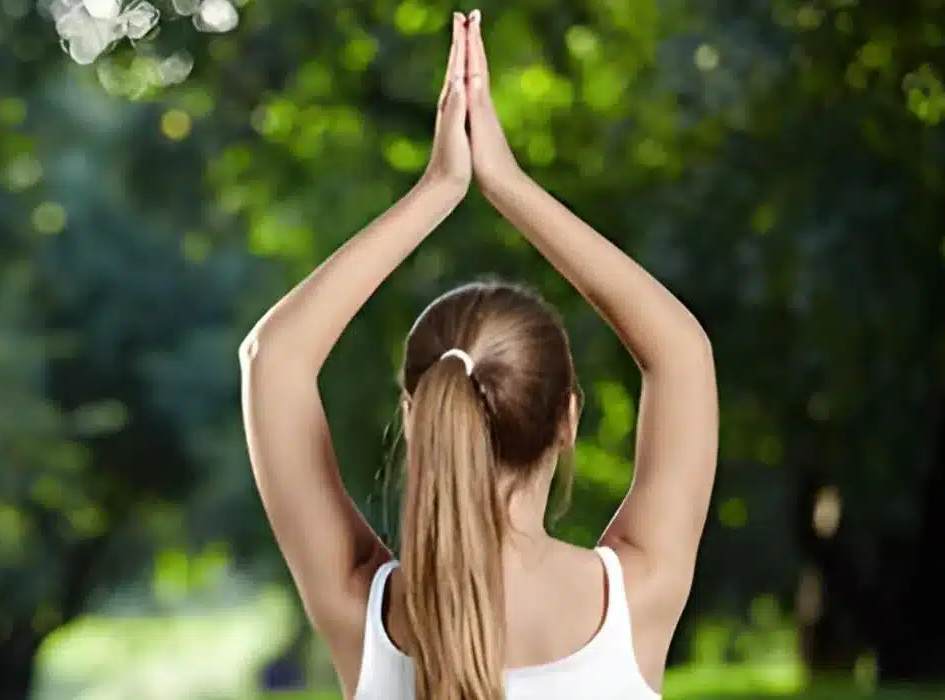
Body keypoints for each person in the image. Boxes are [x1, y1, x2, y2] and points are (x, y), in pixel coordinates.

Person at [237, 10, 719, 700]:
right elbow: (681, 352)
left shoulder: (365, 614)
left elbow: (272, 358)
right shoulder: (637, 599)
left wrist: (439, 189)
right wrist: (507, 182)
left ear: (417, 415)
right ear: (567, 418)